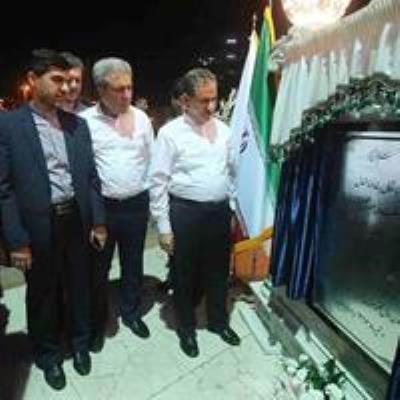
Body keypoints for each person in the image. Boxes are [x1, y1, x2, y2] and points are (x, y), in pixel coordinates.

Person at [0, 49, 106, 390]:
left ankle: (80, 344)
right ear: (33, 80)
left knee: (79, 284)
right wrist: (17, 241)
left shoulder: (77, 125)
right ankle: (48, 356)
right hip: (38, 225)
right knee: (42, 294)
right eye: (56, 80)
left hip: (76, 218)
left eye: (67, 80)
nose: (64, 87)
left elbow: (91, 178)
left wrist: (98, 221)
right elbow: (3, 189)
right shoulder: (9, 125)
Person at [149, 67, 240, 358]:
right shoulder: (170, 134)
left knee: (218, 272)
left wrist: (232, 208)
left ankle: (218, 322)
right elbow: (158, 181)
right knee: (184, 275)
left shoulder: (224, 131)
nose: (212, 106)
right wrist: (164, 227)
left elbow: (232, 172)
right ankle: (186, 329)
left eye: (214, 99)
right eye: (204, 100)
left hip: (218, 213)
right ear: (186, 100)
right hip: (185, 213)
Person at [80, 57, 154, 349]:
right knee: (97, 269)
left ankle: (131, 312)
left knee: (133, 263)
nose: (127, 95)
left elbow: (151, 160)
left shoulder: (141, 118)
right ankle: (97, 322)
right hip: (102, 210)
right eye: (119, 89)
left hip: (136, 206)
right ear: (100, 90)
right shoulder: (85, 123)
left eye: (130, 88)